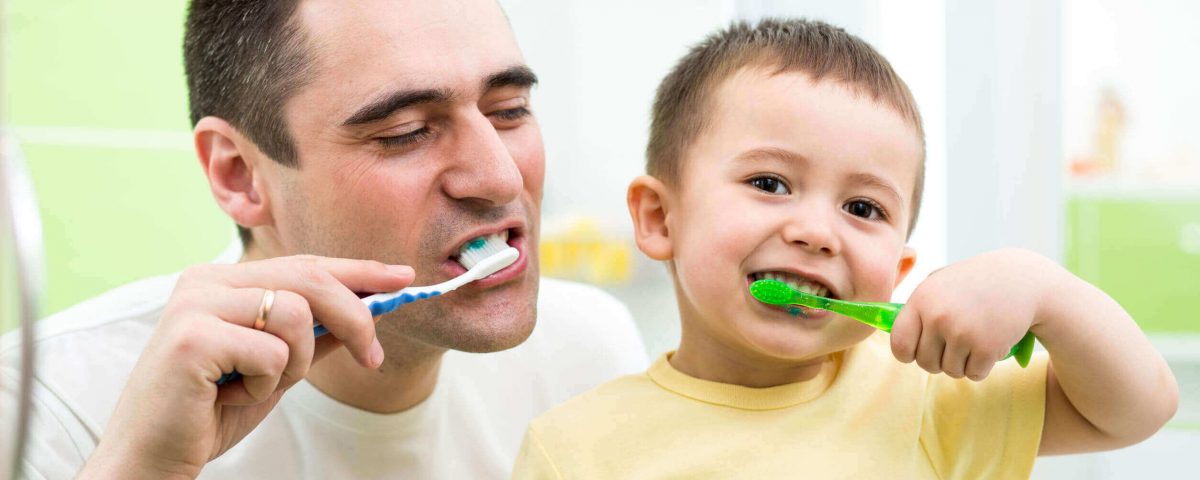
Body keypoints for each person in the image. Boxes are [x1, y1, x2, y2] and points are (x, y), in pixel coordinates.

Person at [0, 1, 648, 478]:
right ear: (239, 174)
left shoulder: (588, 354)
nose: (501, 175)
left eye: (509, 111)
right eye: (405, 132)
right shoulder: (49, 408)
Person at [512, 18, 1179, 479]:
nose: (816, 231)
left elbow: (1138, 409)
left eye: (863, 208)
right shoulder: (577, 450)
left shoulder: (930, 399)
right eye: (770, 183)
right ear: (660, 218)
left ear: (898, 272)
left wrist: (1046, 291)